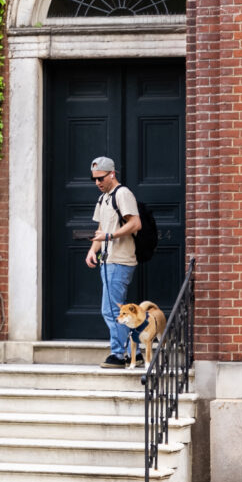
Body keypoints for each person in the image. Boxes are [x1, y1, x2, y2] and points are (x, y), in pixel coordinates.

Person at [84, 156, 142, 369]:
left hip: (121, 261)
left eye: (101, 178)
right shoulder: (103, 199)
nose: (97, 183)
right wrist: (92, 250)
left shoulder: (122, 194)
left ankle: (120, 354)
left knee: (112, 311)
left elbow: (136, 224)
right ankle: (131, 354)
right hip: (107, 261)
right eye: (94, 180)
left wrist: (110, 237)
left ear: (112, 174)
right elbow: (101, 230)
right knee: (112, 310)